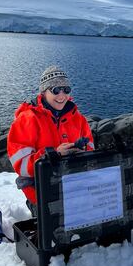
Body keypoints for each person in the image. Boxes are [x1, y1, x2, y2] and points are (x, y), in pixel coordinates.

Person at [7, 65, 94, 216]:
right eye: (55, 90)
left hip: (74, 187)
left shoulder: (78, 119)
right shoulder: (28, 119)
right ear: (44, 92)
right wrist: (53, 154)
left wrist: (82, 152)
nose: (62, 96)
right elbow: (20, 164)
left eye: (66, 90)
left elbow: (91, 148)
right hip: (41, 190)